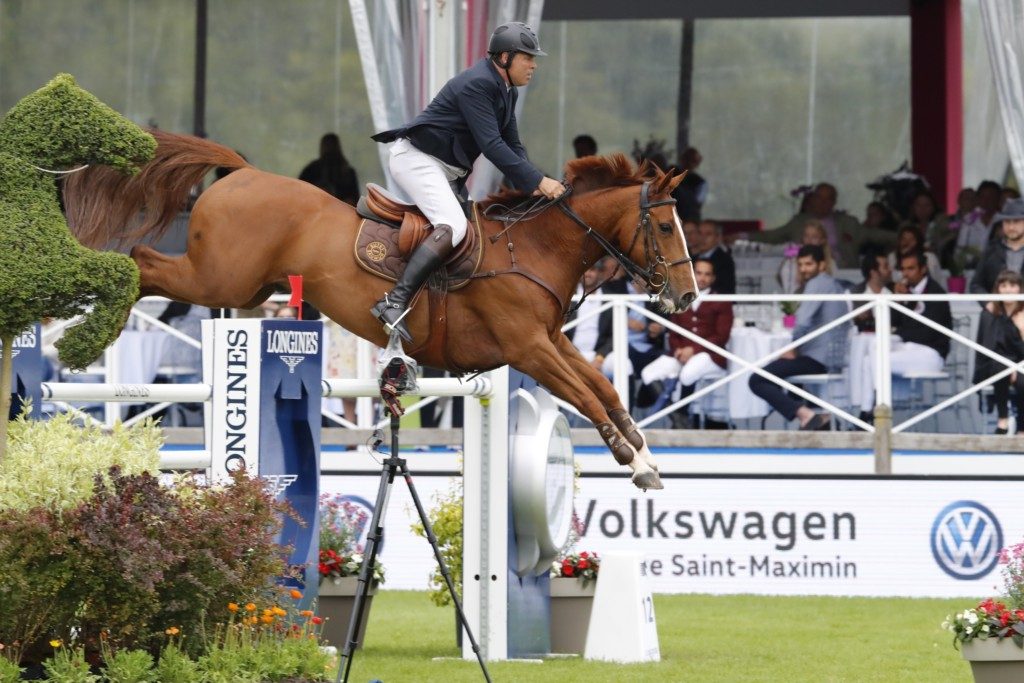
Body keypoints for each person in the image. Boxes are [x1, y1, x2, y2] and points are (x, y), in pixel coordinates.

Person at [369, 22, 565, 342]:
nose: (534, 64)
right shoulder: (477, 84)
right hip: (417, 160)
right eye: (528, 57)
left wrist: (537, 182)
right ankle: (393, 301)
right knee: (454, 227)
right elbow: (492, 146)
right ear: (505, 57)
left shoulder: (505, 90)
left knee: (475, 235)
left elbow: (512, 144)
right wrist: (538, 181)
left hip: (444, 169)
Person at [748, 245, 849, 431]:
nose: (803, 269)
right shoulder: (832, 284)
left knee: (757, 380)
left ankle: (807, 415)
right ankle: (818, 418)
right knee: (785, 376)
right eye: (800, 265)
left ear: (822, 265)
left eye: (809, 264)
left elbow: (802, 320)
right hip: (830, 357)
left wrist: (794, 347)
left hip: (817, 359)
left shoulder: (818, 283)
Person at [634, 258, 732, 426]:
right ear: (692, 273)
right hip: (680, 353)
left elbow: (721, 336)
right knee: (648, 373)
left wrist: (692, 350)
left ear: (713, 278)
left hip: (711, 355)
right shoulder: (680, 296)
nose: (702, 278)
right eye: (699, 273)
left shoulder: (721, 300)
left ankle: (682, 416)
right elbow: (674, 331)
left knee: (688, 373)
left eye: (707, 275)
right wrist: (679, 349)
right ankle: (679, 419)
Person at [748, 183, 892, 268]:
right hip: (806, 275)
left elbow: (876, 235)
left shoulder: (848, 223)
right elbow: (774, 237)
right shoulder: (798, 222)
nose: (822, 202)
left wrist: (906, 236)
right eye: (819, 197)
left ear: (834, 202)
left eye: (827, 199)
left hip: (845, 275)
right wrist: (742, 236)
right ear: (812, 200)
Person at [973, 271, 1024, 434]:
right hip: (995, 363)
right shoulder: (989, 313)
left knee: (1023, 379)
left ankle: (1022, 427)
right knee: (1000, 368)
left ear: (1020, 289)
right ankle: (1003, 419)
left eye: (1013, 285)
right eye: (1003, 286)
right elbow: (986, 349)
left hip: (1022, 362)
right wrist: (1010, 367)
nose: (1008, 290)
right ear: (997, 289)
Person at [890, 251, 953, 376]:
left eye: (910, 269)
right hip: (908, 348)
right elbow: (893, 321)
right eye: (903, 269)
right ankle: (884, 396)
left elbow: (930, 333)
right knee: (870, 356)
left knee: (880, 361)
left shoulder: (936, 293)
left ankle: (879, 396)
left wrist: (899, 334)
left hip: (931, 352)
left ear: (923, 269)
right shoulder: (905, 291)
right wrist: (897, 300)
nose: (905, 274)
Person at [970, 198, 1024, 298]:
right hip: (996, 311)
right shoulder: (991, 249)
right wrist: (989, 304)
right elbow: (976, 285)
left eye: (1016, 222)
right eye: (1007, 222)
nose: (1011, 227)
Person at [566, 260, 613, 371]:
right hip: (570, 353)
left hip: (599, 356)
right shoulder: (568, 295)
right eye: (585, 270)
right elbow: (559, 331)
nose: (587, 274)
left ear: (600, 273)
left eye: (592, 270)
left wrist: (599, 358)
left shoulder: (611, 298)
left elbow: (614, 335)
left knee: (624, 364)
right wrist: (574, 354)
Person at [777, 219, 835, 294]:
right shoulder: (792, 261)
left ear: (822, 240)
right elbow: (790, 291)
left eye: (814, 237)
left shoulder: (829, 262)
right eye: (806, 236)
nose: (809, 240)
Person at [299, 133, 359, 205]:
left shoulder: (312, 168)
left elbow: (354, 199)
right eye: (328, 145)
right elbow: (300, 190)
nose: (329, 148)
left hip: (335, 210)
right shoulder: (312, 169)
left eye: (330, 145)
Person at [957, 180, 1002, 252]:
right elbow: (960, 250)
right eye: (983, 197)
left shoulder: (1004, 221)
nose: (986, 201)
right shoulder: (968, 221)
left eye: (991, 197)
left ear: (998, 199)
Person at [695, 220, 736, 294]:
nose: (703, 238)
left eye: (708, 234)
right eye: (700, 233)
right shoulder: (691, 257)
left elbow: (724, 289)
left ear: (718, 237)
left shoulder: (725, 261)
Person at [671, 146, 707, 222]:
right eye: (687, 159)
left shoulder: (700, 182)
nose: (689, 163)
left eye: (692, 161)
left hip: (689, 220)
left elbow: (697, 203)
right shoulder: (670, 174)